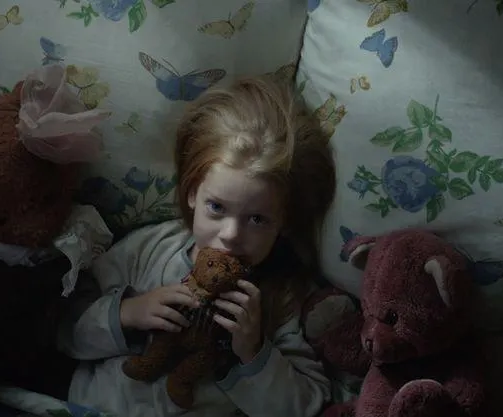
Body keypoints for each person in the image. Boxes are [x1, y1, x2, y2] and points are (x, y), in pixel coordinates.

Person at [54, 76, 337, 417]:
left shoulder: (283, 297)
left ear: (285, 222)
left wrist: (253, 352)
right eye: (216, 207)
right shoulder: (150, 248)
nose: (230, 234)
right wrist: (127, 313)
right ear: (191, 193)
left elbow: (307, 406)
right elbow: (61, 330)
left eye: (257, 219)